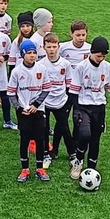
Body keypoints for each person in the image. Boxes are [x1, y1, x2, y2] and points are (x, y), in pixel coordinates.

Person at [68, 36, 110, 180]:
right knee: (85, 134)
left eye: (103, 56)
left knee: (95, 139)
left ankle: (91, 169)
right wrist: (76, 110)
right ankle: (78, 161)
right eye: (98, 56)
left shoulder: (107, 67)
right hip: (83, 107)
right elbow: (73, 91)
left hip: (99, 108)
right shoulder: (81, 67)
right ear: (92, 52)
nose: (101, 59)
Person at [7, 40, 52, 182]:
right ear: (22, 54)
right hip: (24, 113)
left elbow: (46, 89)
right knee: (25, 140)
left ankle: (40, 168)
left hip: (38, 111)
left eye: (34, 53)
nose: (32, 56)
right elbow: (11, 93)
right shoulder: (16, 72)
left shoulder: (42, 69)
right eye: (29, 53)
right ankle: (25, 169)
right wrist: (20, 108)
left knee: (40, 140)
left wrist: (36, 104)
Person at [39, 32, 73, 169]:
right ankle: (47, 154)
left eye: (54, 47)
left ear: (58, 47)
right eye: (49, 47)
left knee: (64, 127)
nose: (52, 50)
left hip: (61, 101)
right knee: (44, 128)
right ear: (44, 47)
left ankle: (72, 154)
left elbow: (69, 84)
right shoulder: (40, 65)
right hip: (45, 102)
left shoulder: (66, 64)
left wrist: (69, 100)